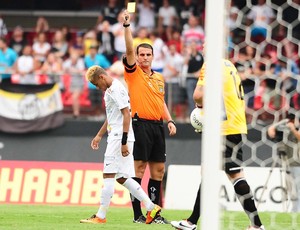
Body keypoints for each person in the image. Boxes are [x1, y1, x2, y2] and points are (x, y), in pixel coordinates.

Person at [171, 58, 265, 230]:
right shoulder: (230, 65)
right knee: (228, 173)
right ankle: (256, 225)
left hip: (223, 127)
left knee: (220, 174)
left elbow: (198, 95)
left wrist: (200, 111)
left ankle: (191, 222)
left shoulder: (211, 63)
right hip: (236, 124)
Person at [79, 65, 162, 224]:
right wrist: (99, 135)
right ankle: (152, 207)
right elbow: (112, 116)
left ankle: (101, 216)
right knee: (122, 177)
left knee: (108, 175)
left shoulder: (116, 89)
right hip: (117, 135)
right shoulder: (110, 90)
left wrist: (123, 141)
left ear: (102, 77)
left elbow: (126, 114)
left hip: (119, 137)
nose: (98, 88)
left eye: (97, 84)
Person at [122, 10, 177, 224]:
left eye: (148, 54)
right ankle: (137, 215)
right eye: (141, 54)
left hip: (158, 125)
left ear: (153, 56)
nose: (144, 58)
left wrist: (170, 120)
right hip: (140, 124)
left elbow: (160, 101)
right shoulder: (133, 73)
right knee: (139, 169)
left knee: (159, 170)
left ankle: (155, 214)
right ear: (136, 56)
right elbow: (128, 47)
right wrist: (127, 27)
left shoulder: (160, 77)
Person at [267, 113, 300, 212]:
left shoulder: (295, 128)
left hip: (297, 163)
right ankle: (294, 209)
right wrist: (272, 127)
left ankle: (296, 210)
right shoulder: (285, 126)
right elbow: (271, 131)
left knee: (297, 188)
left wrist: (293, 128)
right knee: (290, 188)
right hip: (286, 162)